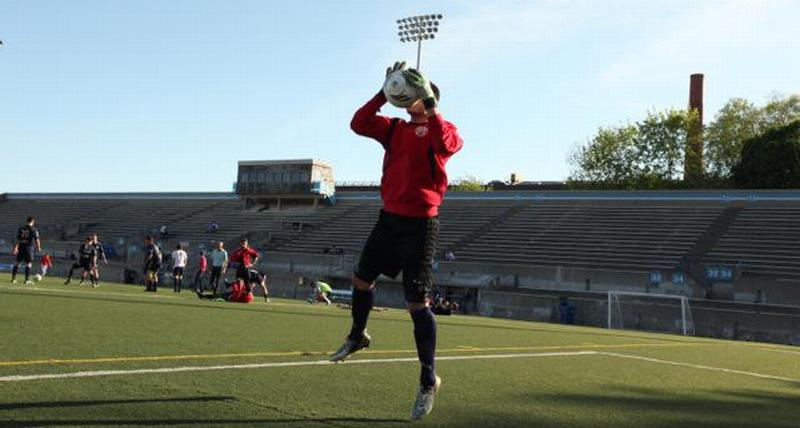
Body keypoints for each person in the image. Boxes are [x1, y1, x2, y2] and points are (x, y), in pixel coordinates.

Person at [328, 61, 463, 420]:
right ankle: (358, 335)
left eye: (413, 92)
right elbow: (357, 123)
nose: (407, 97)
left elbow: (445, 144)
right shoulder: (394, 129)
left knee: (417, 304)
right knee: (360, 278)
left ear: (427, 97)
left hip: (420, 226)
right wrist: (382, 91)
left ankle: (426, 379)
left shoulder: (445, 127)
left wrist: (431, 105)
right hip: (389, 219)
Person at [11, 216, 42, 285]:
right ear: (33, 221)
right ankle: (26, 280)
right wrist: (39, 247)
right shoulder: (34, 229)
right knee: (28, 264)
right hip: (28, 247)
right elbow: (37, 239)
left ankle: (13, 279)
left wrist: (15, 248)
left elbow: (17, 239)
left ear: (27, 221)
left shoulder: (21, 228)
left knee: (17, 263)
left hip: (21, 247)